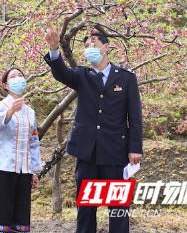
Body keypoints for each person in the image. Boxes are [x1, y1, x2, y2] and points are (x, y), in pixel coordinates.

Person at [44, 24, 143, 233]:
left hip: (115, 152)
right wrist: (54, 49)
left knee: (118, 209)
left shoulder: (126, 77)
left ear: (106, 48)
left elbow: (134, 116)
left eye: (94, 43)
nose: (89, 47)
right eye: (86, 45)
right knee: (86, 208)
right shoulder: (82, 74)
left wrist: (135, 148)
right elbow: (61, 73)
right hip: (86, 152)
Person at [0, 67, 42, 233]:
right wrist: (10, 111)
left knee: (21, 219)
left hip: (24, 172)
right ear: (5, 85)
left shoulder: (30, 112)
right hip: (3, 168)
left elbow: (33, 142)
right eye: (13, 77)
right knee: (0, 219)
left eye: (21, 75)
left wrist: (33, 171)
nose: (18, 78)